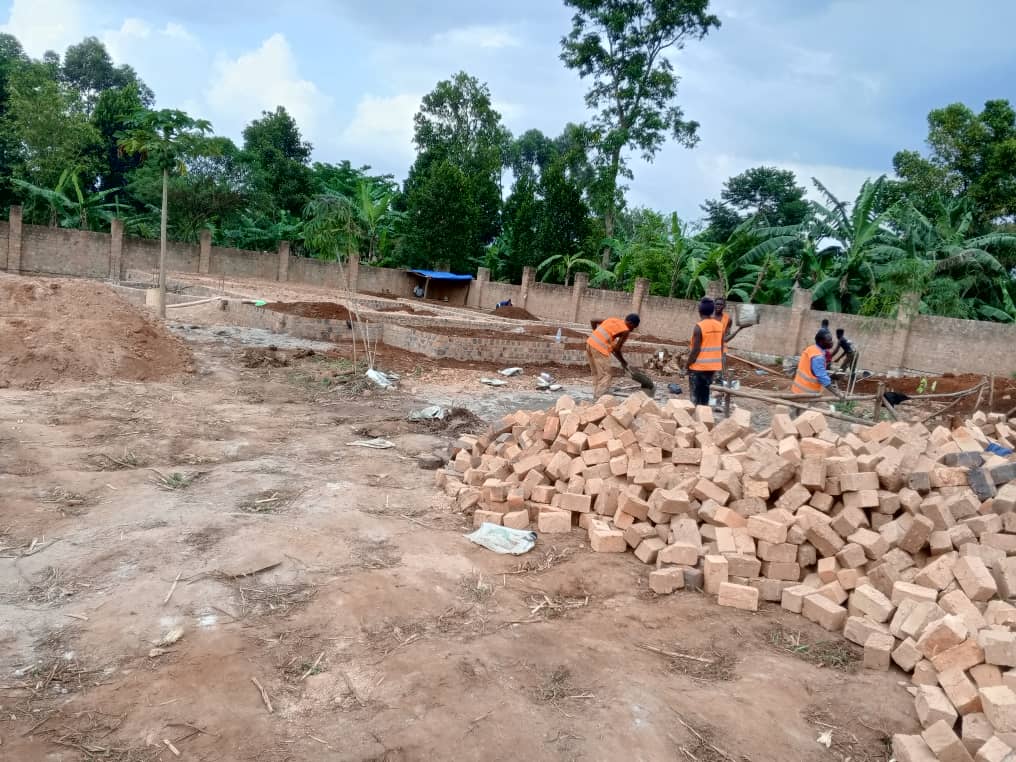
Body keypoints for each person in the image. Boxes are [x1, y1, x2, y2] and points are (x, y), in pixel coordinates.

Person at [586, 313, 640, 398]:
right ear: (630, 323)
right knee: (605, 375)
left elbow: (593, 320)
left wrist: (595, 333)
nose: (632, 330)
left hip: (589, 344)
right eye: (633, 327)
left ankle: (596, 395)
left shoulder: (612, 320)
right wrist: (623, 362)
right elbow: (617, 350)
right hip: (600, 348)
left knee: (596, 373)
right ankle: (599, 399)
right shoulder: (625, 330)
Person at [684, 298, 723, 407]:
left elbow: (695, 350)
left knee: (695, 398)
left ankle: (694, 420)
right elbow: (720, 345)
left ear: (699, 311)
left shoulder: (699, 326)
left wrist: (687, 365)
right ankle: (704, 418)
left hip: (698, 367)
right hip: (712, 367)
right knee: (705, 396)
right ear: (712, 311)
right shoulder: (719, 325)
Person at [791, 329, 844, 399]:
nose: (832, 342)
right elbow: (822, 377)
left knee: (796, 408)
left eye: (831, 340)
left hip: (798, 389)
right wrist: (838, 394)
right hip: (807, 393)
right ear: (821, 342)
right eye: (829, 340)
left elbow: (812, 370)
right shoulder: (818, 357)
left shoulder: (812, 348)